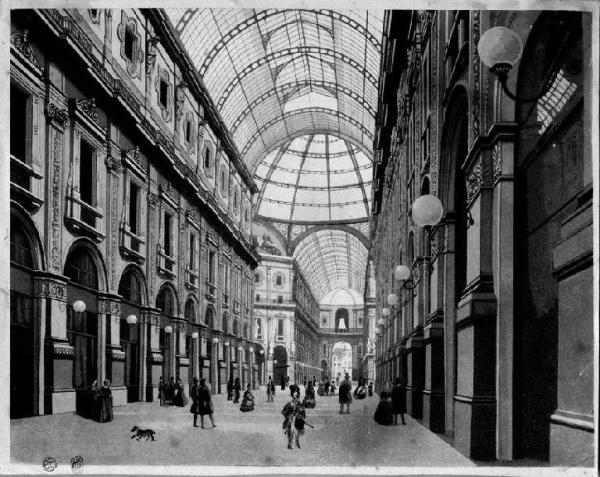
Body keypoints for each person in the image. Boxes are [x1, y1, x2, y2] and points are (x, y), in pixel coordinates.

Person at [282, 384, 306, 450]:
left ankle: (297, 442)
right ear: (292, 394)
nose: (297, 394)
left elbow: (303, 413)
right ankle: (289, 443)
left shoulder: (300, 404)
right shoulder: (289, 404)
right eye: (295, 392)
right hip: (291, 420)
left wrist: (301, 415)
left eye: (298, 392)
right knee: (290, 431)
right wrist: (288, 415)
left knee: (297, 432)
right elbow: (283, 411)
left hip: (298, 420)